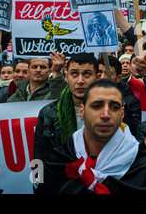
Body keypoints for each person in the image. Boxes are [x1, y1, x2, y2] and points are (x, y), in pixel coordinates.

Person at [34, 79, 146, 194]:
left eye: (114, 107)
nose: (105, 114)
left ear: (122, 114)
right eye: (96, 106)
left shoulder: (145, 166)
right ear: (82, 112)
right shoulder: (60, 158)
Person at [33, 53, 100, 193]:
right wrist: (37, 187)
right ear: (66, 76)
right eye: (74, 74)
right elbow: (38, 159)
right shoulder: (48, 113)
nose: (80, 81)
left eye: (87, 74)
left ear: (97, 77)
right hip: (59, 186)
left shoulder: (110, 113)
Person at [96, 56, 141, 137]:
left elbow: (133, 131)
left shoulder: (131, 102)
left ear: (119, 78)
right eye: (99, 72)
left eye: (108, 73)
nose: (102, 77)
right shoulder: (88, 96)